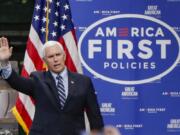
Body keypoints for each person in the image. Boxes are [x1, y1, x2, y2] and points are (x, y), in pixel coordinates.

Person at [0, 37, 104, 135]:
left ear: (64, 56)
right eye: (50, 56)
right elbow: (17, 82)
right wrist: (4, 63)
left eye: (58, 55)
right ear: (45, 60)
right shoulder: (38, 79)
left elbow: (95, 116)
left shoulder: (83, 81)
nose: (55, 59)